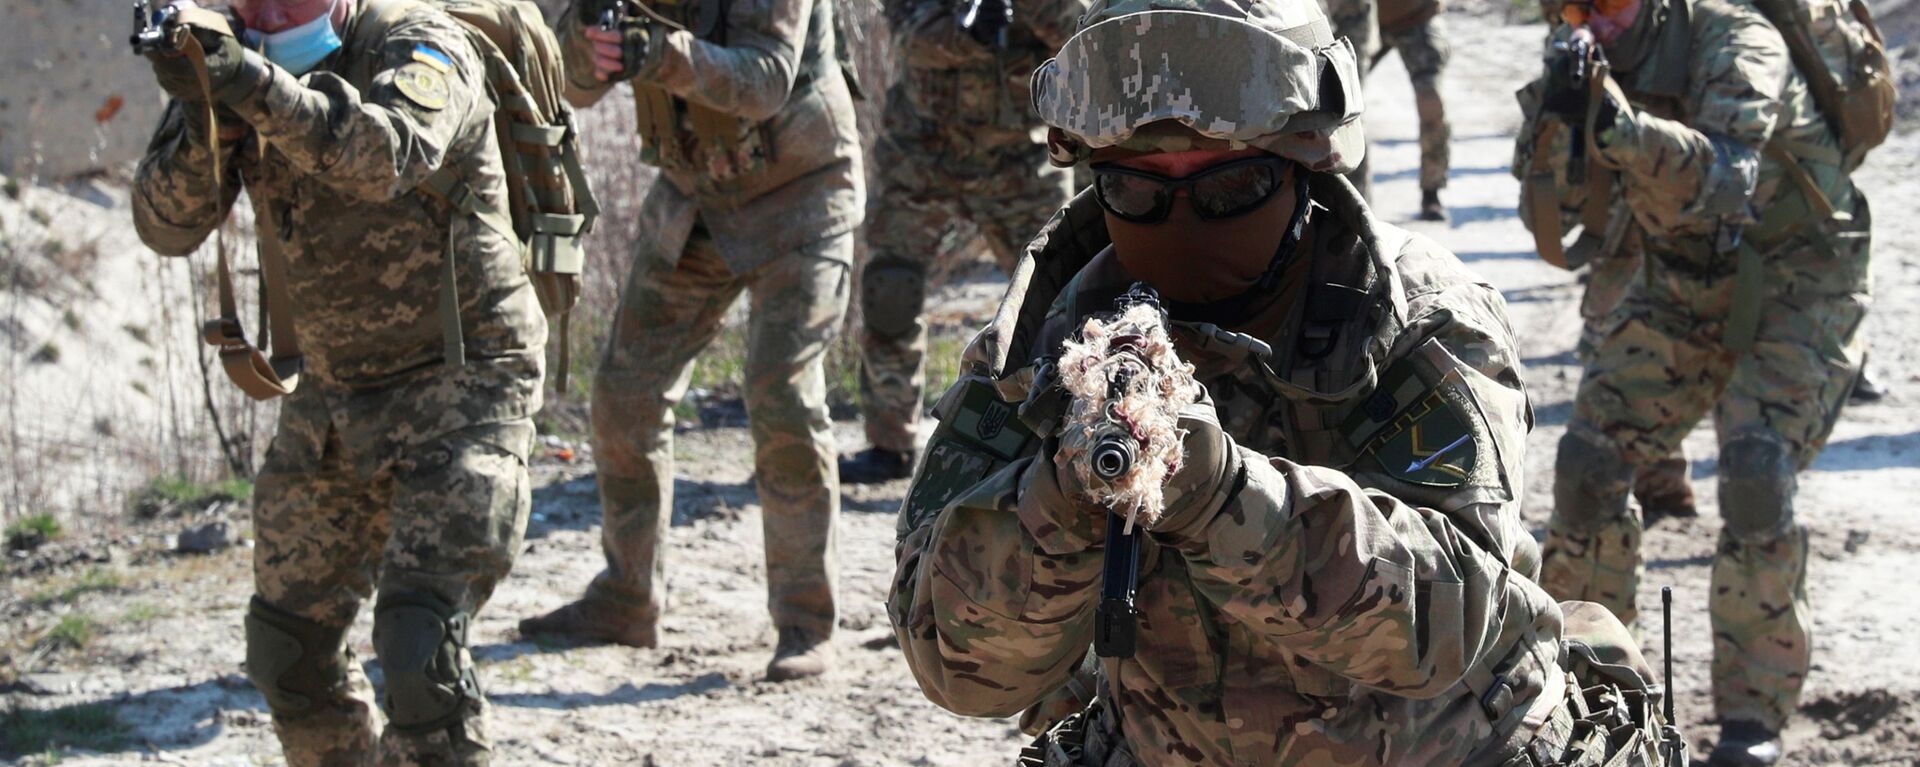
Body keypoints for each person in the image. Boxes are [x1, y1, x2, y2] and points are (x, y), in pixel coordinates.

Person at [886, 0, 1683, 763]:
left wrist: (1226, 496)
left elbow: (1451, 622)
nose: (1183, 218)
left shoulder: (1414, 316)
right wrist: (1056, 504)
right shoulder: (1046, 341)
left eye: (1229, 187)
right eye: (1135, 187)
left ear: (1303, 162)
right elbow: (955, 664)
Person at [133, 0, 545, 761]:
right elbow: (164, 224)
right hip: (331, 397)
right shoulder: (229, 59)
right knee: (288, 653)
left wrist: (250, 83)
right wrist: (204, 110)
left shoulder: (419, 41)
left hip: (463, 385)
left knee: (420, 653)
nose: (268, 6)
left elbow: (385, 154)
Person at [1517, 0, 1872, 761]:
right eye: (1576, 6)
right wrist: (1557, 122)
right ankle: (1597, 689)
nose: (1594, 24)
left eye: (1609, 6)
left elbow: (1726, 177)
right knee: (1588, 465)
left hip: (1800, 282)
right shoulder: (1581, 56)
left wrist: (1616, 127)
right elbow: (1560, 214)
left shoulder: (1738, 38)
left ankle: (1752, 721)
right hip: (1680, 280)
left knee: (1755, 473)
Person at [516, 0, 863, 682]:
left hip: (802, 195)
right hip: (696, 199)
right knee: (625, 393)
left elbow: (764, 80)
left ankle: (805, 622)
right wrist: (595, 50)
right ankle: (627, 596)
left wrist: (659, 55)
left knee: (782, 392)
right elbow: (568, 83)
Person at [836, 0, 1089, 484]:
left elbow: (1078, 35)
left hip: (1020, 155)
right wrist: (966, 35)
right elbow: (908, 35)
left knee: (1061, 302)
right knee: (891, 290)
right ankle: (890, 443)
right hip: (922, 151)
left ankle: (1069, 435)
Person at [1374, 0, 1451, 221]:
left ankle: (1431, 190)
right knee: (1333, 99)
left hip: (1415, 14)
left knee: (1431, 103)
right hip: (1355, 16)